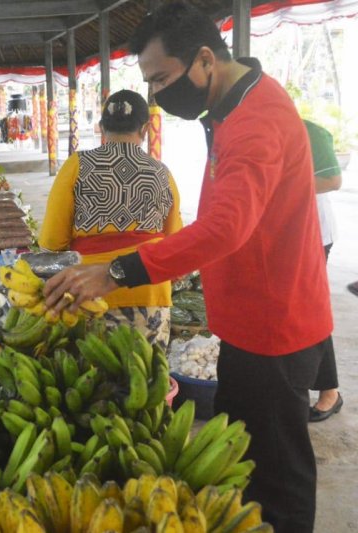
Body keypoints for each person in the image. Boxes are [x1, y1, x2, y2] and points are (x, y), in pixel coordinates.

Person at [42, 4, 332, 532]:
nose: (154, 94)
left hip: (274, 322)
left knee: (280, 476)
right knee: (246, 463)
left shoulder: (256, 120)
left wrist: (118, 271)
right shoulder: (228, 106)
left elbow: (226, 228)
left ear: (204, 59)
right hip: (246, 318)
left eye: (161, 78)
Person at [39, 90, 181, 348]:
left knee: (94, 382)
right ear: (146, 128)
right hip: (149, 290)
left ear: (102, 127)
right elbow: (176, 243)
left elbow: (51, 242)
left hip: (88, 292)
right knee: (145, 378)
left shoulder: (76, 165)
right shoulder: (162, 173)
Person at [305, 120, 343, 422]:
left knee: (309, 308)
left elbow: (332, 180)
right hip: (284, 234)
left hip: (314, 234)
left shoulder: (310, 131)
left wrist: (280, 182)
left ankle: (329, 391)